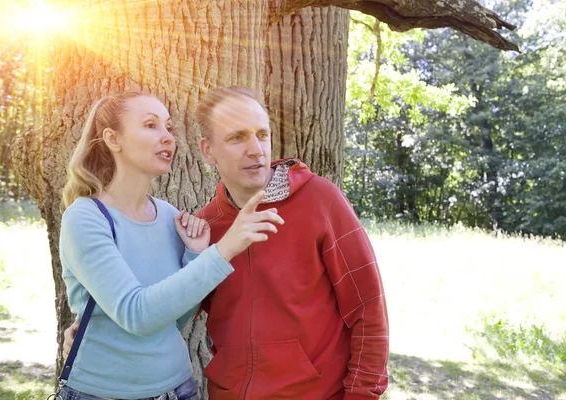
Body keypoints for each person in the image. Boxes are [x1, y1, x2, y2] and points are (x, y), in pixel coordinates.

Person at [64, 87, 389, 399]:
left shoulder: (320, 201)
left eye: (262, 135)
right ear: (208, 151)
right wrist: (97, 330)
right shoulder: (207, 225)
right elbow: (162, 313)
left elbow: (368, 308)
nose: (256, 149)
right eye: (236, 137)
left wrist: (362, 394)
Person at [57, 91, 284, 400]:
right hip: (104, 393)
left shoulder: (169, 217)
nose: (167, 137)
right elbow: (137, 315)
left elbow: (175, 320)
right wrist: (224, 249)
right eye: (151, 125)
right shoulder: (84, 218)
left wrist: (195, 254)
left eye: (168, 127)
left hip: (179, 390)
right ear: (113, 138)